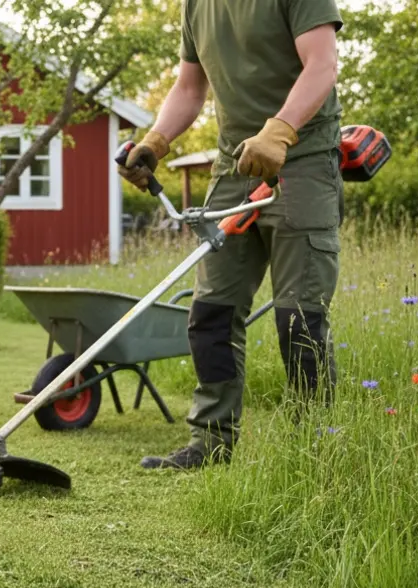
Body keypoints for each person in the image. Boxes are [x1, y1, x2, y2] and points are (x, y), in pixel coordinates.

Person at [117, 0, 345, 470]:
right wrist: (156, 140)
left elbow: (323, 64)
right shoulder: (197, 4)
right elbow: (189, 86)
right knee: (211, 314)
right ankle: (210, 444)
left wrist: (280, 130)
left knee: (299, 320)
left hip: (302, 164)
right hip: (233, 168)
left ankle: (314, 452)